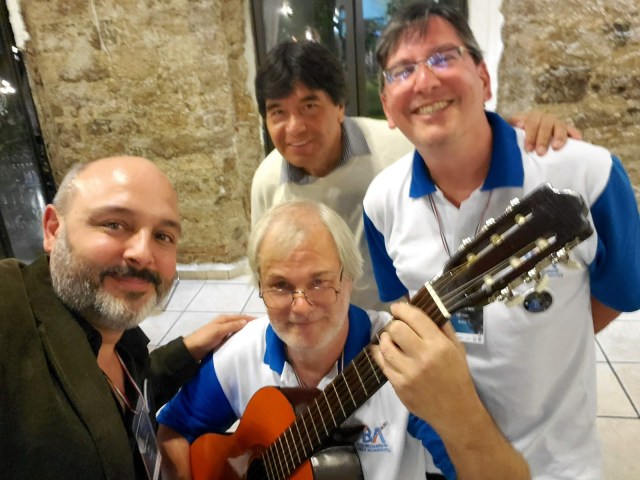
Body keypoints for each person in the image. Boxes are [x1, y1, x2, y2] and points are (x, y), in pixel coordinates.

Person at [363, 3, 640, 479]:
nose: (424, 81)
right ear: (388, 106)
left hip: (558, 463)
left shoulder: (587, 174)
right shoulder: (380, 202)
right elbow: (406, 315)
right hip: (441, 454)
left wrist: (541, 339)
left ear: (483, 78)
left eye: (443, 57)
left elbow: (622, 294)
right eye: (402, 71)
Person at [156, 200, 530, 480]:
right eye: (280, 285)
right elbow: (174, 429)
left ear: (349, 279)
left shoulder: (403, 363)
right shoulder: (242, 351)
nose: (301, 307)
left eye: (319, 282)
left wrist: (461, 406)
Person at [251, 39, 581, 310]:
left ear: (340, 107)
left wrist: (532, 127)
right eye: (278, 112)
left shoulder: (398, 147)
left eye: (309, 106)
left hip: (399, 317)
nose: (294, 127)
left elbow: (475, 139)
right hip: (317, 322)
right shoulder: (267, 182)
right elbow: (266, 270)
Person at [0, 156, 252, 480]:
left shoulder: (119, 338)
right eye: (114, 225)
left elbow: (123, 397)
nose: (142, 254)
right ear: (53, 229)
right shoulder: (11, 312)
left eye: (163, 236)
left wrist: (186, 350)